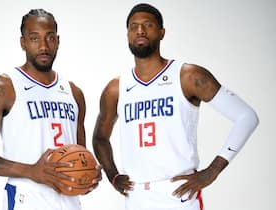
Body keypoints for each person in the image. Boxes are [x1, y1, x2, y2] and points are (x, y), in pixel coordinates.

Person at [92, 3, 259, 210]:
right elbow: (100, 138)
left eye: (148, 25)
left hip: (179, 195)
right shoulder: (116, 88)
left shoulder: (188, 76)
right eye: (133, 26)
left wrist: (213, 170)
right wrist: (113, 176)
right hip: (137, 198)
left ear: (161, 32)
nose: (140, 31)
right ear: (127, 34)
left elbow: (246, 117)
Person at [0, 9, 100, 210]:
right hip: (26, 199)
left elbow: (80, 152)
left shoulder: (74, 93)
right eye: (35, 38)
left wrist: (87, 173)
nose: (44, 46)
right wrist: (31, 171)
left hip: (70, 201)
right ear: (23, 43)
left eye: (50, 38)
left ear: (58, 41)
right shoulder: (3, 88)